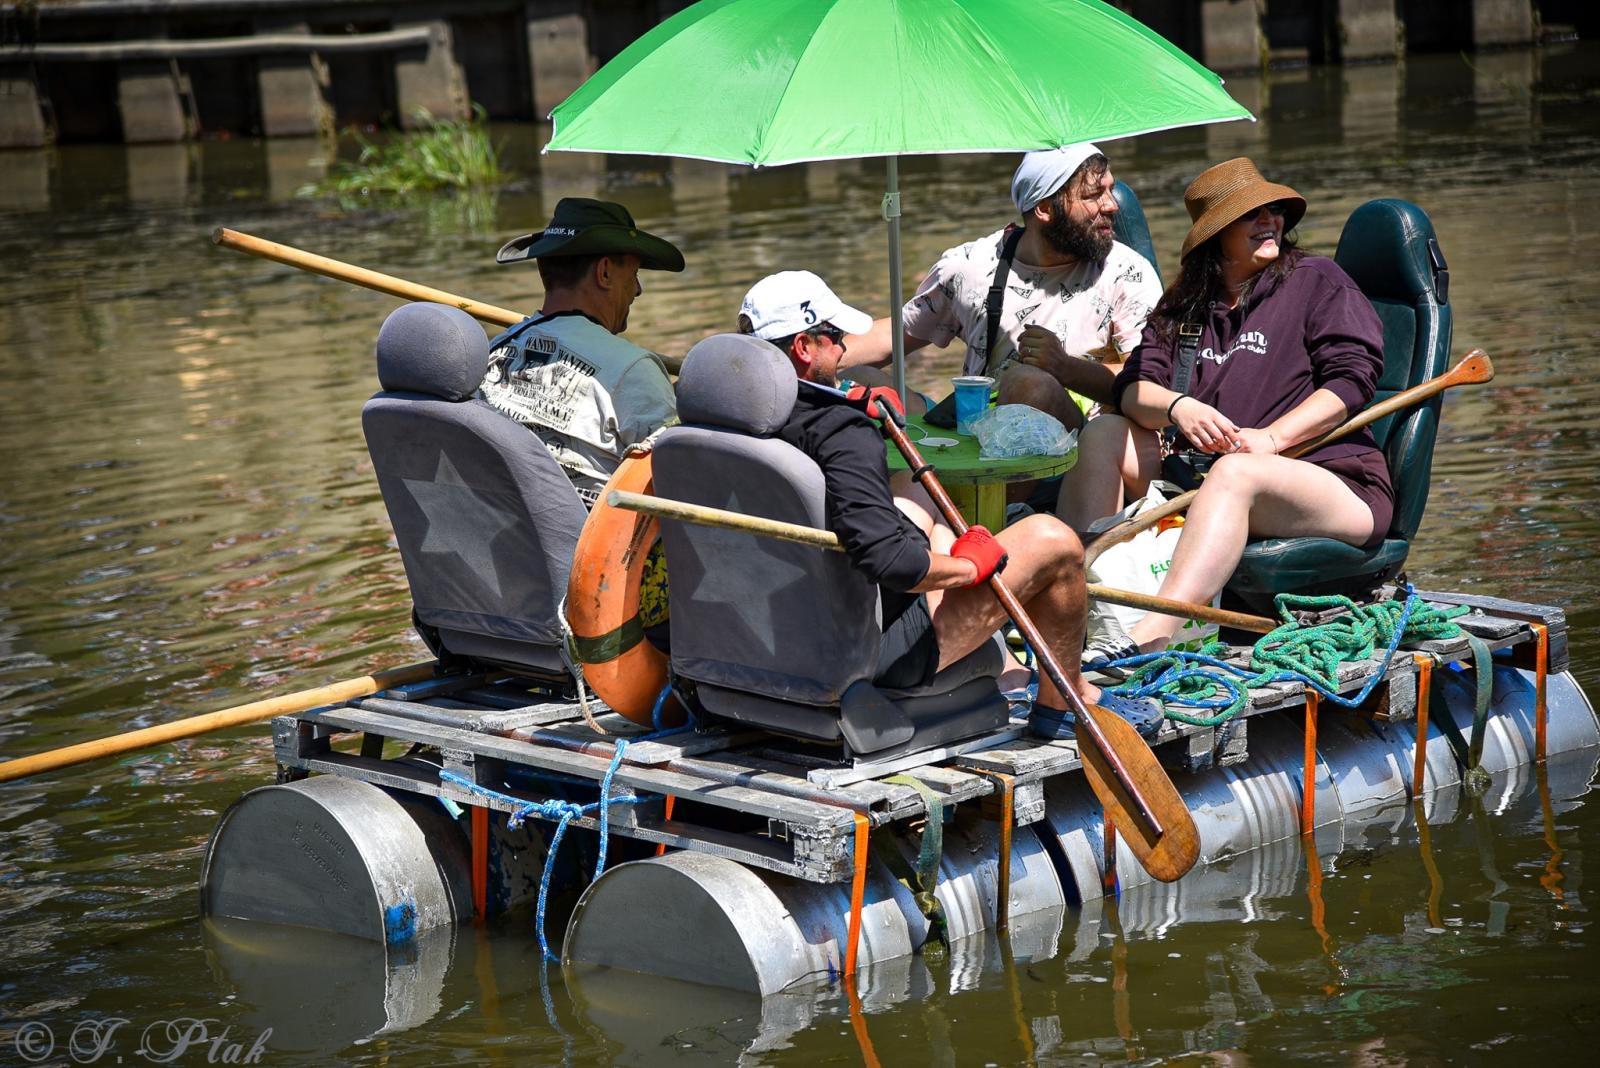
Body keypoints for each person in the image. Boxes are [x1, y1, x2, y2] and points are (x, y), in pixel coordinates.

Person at [737, 270, 1161, 738]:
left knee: (917, 481)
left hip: (768, 631)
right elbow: (889, 561)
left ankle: (1004, 664)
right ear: (803, 347)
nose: (842, 351)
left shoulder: (720, 420)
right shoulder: (839, 432)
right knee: (1054, 540)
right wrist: (967, 568)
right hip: (870, 651)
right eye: (835, 338)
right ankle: (1065, 699)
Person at [1057, 157, 1392, 655]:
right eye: (1251, 214)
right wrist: (1179, 408)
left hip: (1333, 482)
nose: (1269, 220)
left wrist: (1272, 439)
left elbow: (1352, 382)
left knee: (1236, 472)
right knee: (1104, 433)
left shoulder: (1317, 280)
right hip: (1198, 478)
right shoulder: (1185, 304)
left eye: (1274, 210)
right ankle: (1072, 611)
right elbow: (1133, 390)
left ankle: (1154, 635)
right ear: (1216, 234)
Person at [843, 142, 1162, 434]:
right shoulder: (970, 267)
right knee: (856, 378)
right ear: (1045, 209)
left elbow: (1152, 385)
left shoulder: (1127, 272)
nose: (1112, 205)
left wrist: (1064, 367)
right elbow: (893, 337)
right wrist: (819, 355)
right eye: (1093, 195)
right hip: (971, 428)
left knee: (1029, 385)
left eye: (1110, 190)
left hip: (1078, 445)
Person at [479, 197, 684, 506]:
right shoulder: (635, 369)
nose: (638, 290)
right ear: (605, 272)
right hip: (590, 535)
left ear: (543, 268)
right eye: (634, 274)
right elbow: (678, 484)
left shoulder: (493, 352)